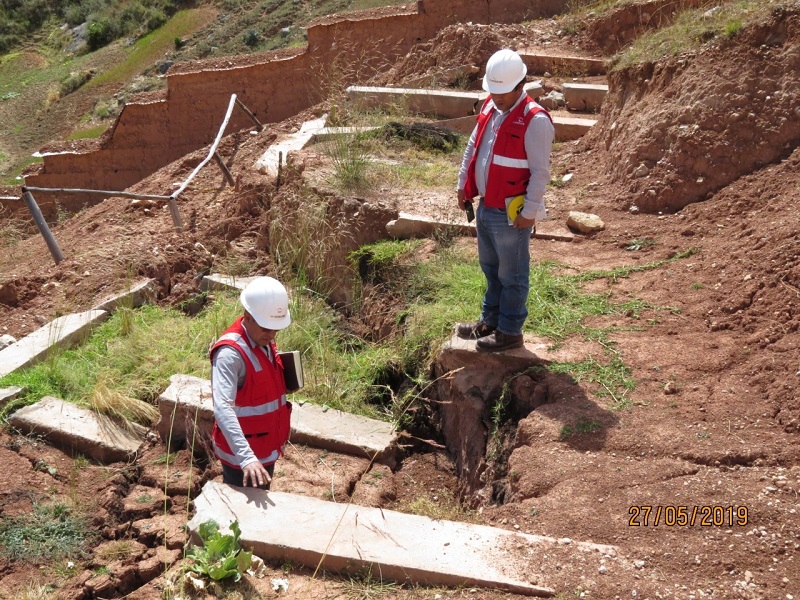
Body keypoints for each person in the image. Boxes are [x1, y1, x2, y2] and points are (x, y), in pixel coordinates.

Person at [455, 48, 554, 353]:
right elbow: (473, 146)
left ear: (520, 85)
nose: (497, 97)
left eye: (503, 91)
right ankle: (490, 321)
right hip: (487, 205)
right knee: (491, 267)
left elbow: (540, 172)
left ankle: (510, 331)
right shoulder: (490, 108)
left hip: (511, 213)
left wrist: (530, 211)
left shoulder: (535, 121)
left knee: (512, 274)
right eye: (493, 90)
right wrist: (463, 185)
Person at [210, 276, 293, 490]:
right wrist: (247, 458)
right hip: (244, 461)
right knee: (242, 519)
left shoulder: (261, 337)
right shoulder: (230, 355)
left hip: (265, 447)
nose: (272, 334)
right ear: (248, 316)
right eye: (266, 328)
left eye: (276, 328)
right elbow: (223, 408)